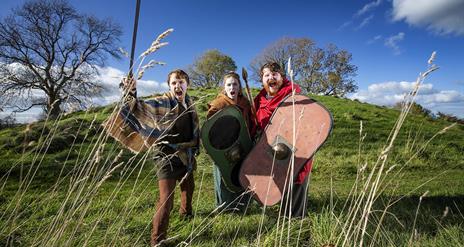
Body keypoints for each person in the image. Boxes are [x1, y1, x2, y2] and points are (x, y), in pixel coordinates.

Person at [107, 69, 199, 246]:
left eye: (181, 82)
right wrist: (131, 92)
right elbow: (140, 107)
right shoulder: (163, 102)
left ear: (187, 84)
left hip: (186, 154)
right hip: (165, 155)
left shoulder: (190, 102)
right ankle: (157, 241)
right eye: (174, 83)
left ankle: (186, 215)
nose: (178, 86)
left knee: (189, 187)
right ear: (169, 86)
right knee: (166, 201)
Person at [253, 62, 312, 218]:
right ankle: (279, 212)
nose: (271, 78)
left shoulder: (294, 96)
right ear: (262, 80)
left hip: (293, 149)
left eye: (275, 74)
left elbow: (307, 125)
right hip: (270, 151)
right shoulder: (259, 100)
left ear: (282, 77)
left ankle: (295, 222)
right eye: (267, 75)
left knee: (295, 185)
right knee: (276, 186)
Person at [206, 72, 252, 212]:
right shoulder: (218, 105)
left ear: (239, 87)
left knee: (241, 175)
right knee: (224, 178)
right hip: (223, 147)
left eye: (235, 84)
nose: (232, 87)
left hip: (242, 145)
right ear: (224, 88)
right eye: (229, 84)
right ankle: (225, 208)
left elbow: (249, 123)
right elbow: (211, 130)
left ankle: (243, 205)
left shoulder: (245, 103)